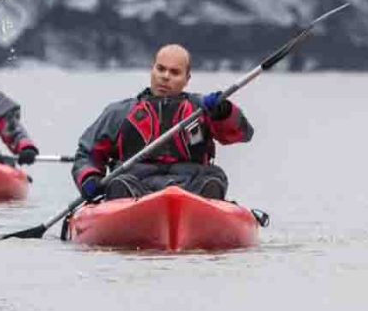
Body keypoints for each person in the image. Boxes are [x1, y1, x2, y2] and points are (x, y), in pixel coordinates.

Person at [71, 44, 254, 201]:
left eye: (174, 72)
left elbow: (244, 133)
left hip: (192, 186)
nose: (165, 76)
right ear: (152, 70)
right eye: (160, 69)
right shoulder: (119, 113)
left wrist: (224, 112)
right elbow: (87, 154)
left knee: (213, 181)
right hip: (135, 186)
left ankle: (202, 221)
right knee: (118, 183)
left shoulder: (204, 109)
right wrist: (89, 178)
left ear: (187, 79)